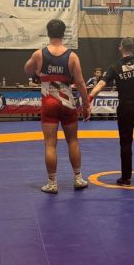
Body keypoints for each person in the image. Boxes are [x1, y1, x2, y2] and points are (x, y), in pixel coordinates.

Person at [24, 19, 91, 194]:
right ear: (63, 34)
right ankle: (78, 178)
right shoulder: (72, 56)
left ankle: (52, 183)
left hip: (49, 102)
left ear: (48, 33)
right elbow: (81, 83)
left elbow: (27, 69)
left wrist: (38, 72)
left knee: (50, 144)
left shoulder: (39, 54)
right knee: (73, 141)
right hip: (67, 102)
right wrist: (86, 105)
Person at [88, 7, 134, 186]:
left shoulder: (114, 67)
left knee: (125, 144)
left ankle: (125, 178)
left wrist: (88, 100)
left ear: (121, 48)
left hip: (125, 109)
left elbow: (100, 85)